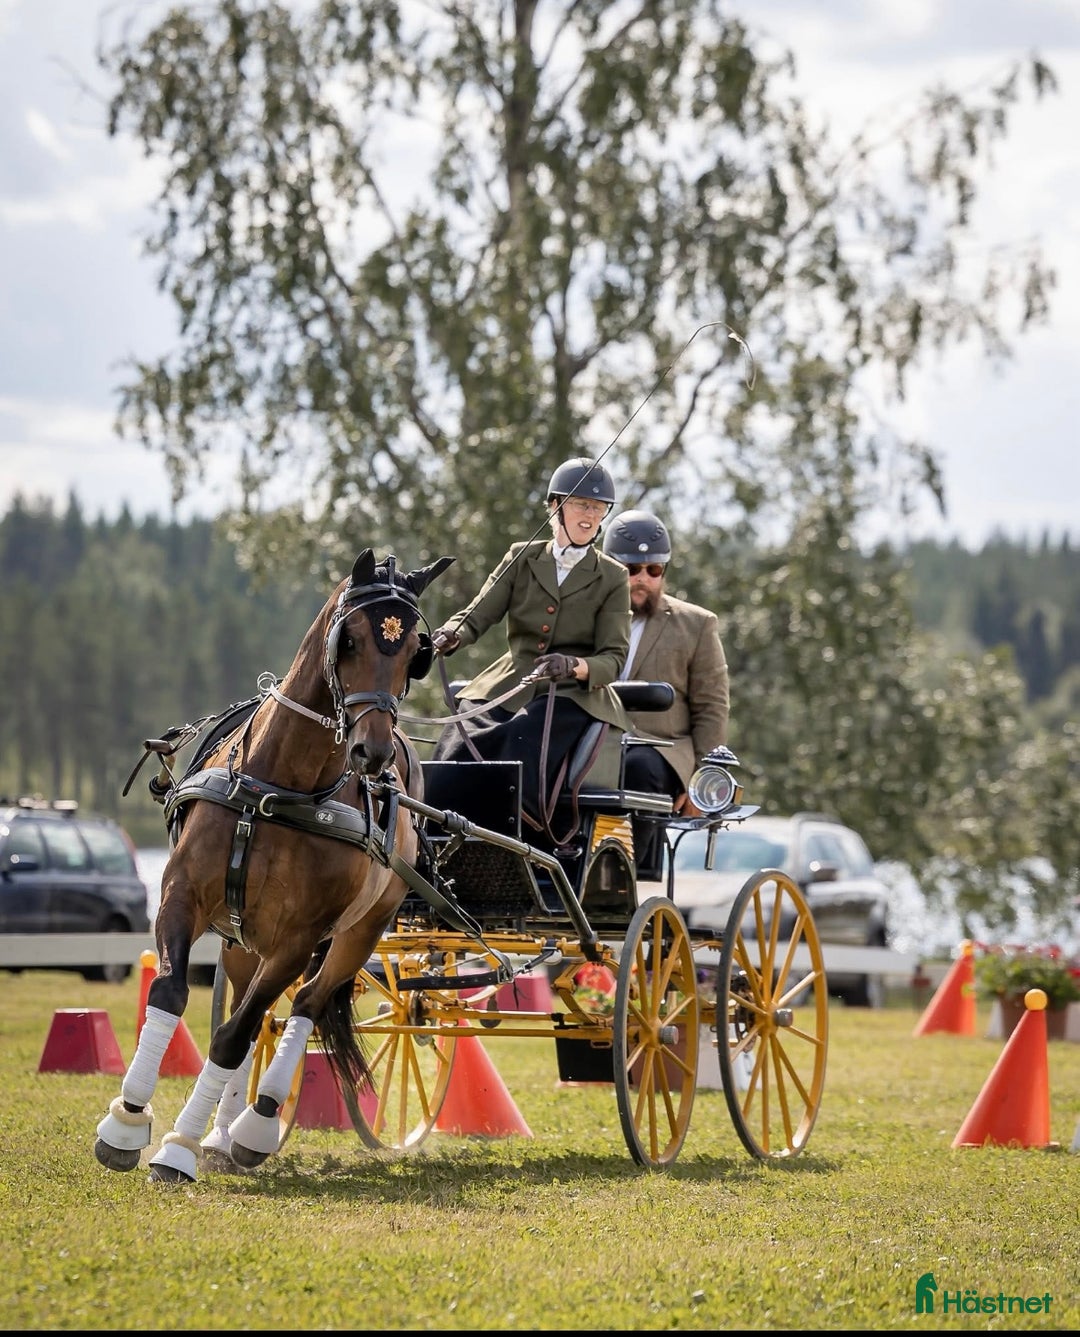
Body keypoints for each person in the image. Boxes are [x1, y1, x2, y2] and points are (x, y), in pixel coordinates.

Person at [430, 458, 632, 834]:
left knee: (518, 739)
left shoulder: (613, 577)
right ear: (555, 505)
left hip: (573, 692)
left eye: (598, 507)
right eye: (581, 504)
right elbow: (477, 613)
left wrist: (573, 665)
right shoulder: (521, 556)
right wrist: (450, 633)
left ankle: (512, 840)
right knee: (459, 736)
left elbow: (614, 659)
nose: (590, 515)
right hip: (512, 680)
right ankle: (432, 831)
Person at [602, 509, 730, 874]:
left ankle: (622, 879)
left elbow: (712, 706)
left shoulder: (696, 625)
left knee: (638, 766)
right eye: (632, 570)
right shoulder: (589, 617)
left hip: (662, 750)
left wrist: (704, 780)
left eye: (653, 570)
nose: (643, 579)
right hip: (594, 742)